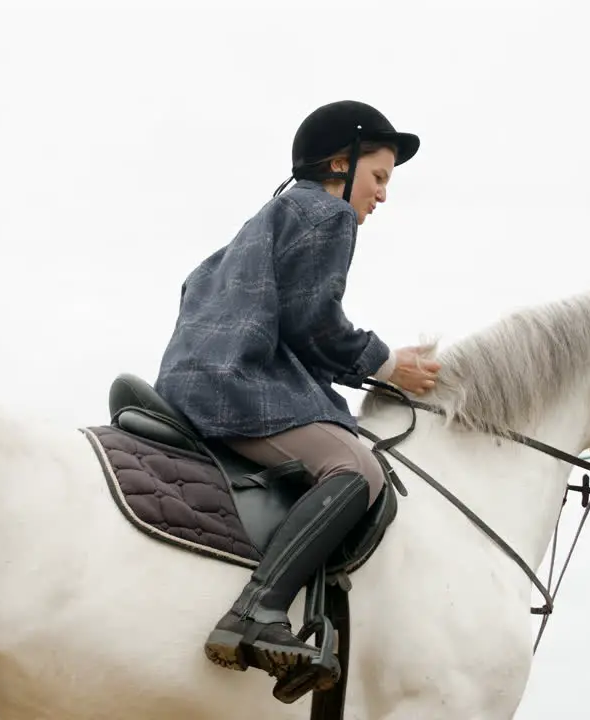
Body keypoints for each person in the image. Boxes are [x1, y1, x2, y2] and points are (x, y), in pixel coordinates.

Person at [153, 100, 442, 686]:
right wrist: (387, 365)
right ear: (340, 163)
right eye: (379, 177)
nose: (382, 195)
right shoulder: (324, 215)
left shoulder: (267, 218)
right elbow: (314, 323)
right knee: (358, 470)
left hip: (191, 379)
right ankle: (257, 611)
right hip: (236, 385)